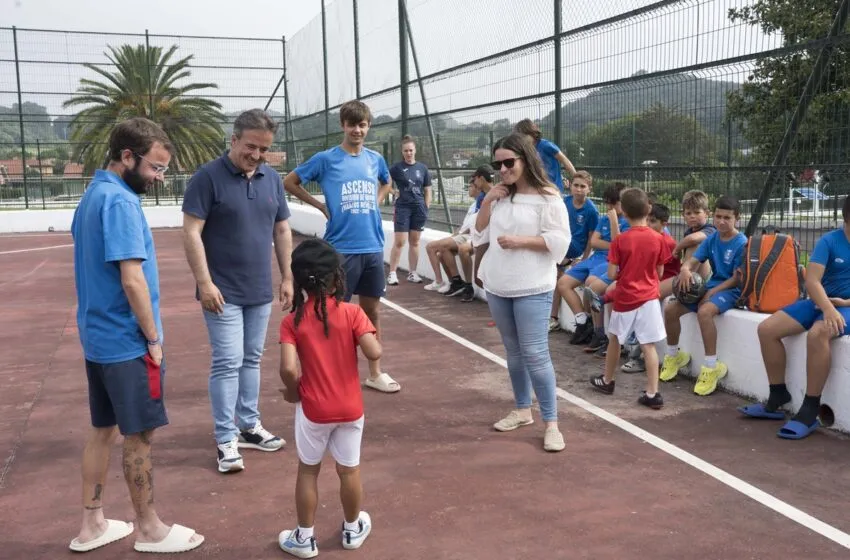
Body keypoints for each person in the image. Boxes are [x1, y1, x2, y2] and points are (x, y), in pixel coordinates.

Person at [69, 118, 203, 553]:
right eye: (155, 167)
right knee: (140, 435)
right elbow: (133, 280)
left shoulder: (91, 195)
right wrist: (153, 339)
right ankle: (149, 528)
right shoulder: (122, 203)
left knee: (102, 429)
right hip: (126, 342)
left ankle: (92, 524)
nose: (160, 178)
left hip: (97, 339)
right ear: (127, 157)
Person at [182, 109, 292, 474]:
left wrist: (287, 277)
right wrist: (204, 282)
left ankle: (249, 424)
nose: (257, 155)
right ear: (233, 140)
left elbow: (281, 231)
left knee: (252, 358)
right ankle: (225, 438)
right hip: (221, 292)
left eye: (264, 149)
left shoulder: (272, 179)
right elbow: (191, 232)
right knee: (227, 361)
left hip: (258, 290)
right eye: (250, 147)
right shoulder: (207, 178)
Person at [283, 99, 400, 394]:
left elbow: (387, 182)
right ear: (342, 126)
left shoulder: (375, 159)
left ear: (368, 127)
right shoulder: (326, 159)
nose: (357, 130)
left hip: (372, 245)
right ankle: (337, 374)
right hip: (340, 248)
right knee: (333, 315)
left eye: (362, 125)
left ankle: (374, 372)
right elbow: (290, 181)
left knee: (371, 313)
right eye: (352, 125)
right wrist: (320, 205)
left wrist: (378, 198)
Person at [277, 239, 380, 558]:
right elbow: (374, 351)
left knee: (308, 470)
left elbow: (288, 369)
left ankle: (304, 538)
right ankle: (351, 529)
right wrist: (364, 336)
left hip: (313, 410)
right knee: (349, 469)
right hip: (351, 408)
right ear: (337, 278)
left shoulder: (291, 322)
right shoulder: (352, 313)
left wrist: (294, 392)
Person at [473, 132, 571, 453]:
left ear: (525, 159)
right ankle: (521, 410)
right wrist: (488, 200)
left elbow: (559, 241)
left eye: (508, 162)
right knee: (513, 352)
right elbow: (480, 230)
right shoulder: (501, 195)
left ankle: (552, 423)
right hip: (500, 284)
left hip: (533, 285)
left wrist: (521, 242)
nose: (502, 169)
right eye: (497, 163)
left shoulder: (548, 197)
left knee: (535, 353)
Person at [740, 197, 850, 439]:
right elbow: (812, 281)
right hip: (819, 302)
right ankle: (778, 394)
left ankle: (810, 409)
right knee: (767, 330)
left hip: (846, 307)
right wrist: (827, 307)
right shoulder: (829, 241)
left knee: (819, 333)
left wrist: (842, 305)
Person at [589, 188, 671, 409]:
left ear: (623, 212)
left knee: (615, 338)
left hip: (626, 297)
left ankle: (608, 380)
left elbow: (612, 274)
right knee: (649, 345)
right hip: (650, 298)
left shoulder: (620, 240)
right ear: (649, 209)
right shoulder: (658, 238)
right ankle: (653, 393)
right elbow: (661, 273)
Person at [660, 195, 747, 396]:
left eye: (727, 217)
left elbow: (736, 279)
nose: (722, 222)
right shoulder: (712, 238)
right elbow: (694, 260)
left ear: (737, 219)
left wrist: (712, 292)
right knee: (671, 308)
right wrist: (685, 269)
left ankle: (710, 367)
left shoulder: (741, 242)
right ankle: (674, 356)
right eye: (718, 217)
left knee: (704, 312)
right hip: (713, 285)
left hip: (732, 290)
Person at [424, 165, 493, 301]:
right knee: (443, 248)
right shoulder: (481, 199)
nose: (472, 183)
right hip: (476, 235)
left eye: (474, 180)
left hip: (487, 237)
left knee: (459, 249)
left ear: (481, 178)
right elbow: (477, 220)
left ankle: (465, 285)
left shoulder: (496, 194)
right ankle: (460, 284)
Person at [549, 170, 599, 331]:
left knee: (557, 272)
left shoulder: (591, 210)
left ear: (589, 189)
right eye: (576, 185)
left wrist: (584, 259)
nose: (578, 189)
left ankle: (554, 317)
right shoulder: (565, 202)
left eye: (582, 186)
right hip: (561, 245)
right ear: (570, 186)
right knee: (555, 274)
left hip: (575, 249)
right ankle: (552, 317)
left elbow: (592, 239)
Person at [387, 135, 432, 285]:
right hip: (403, 208)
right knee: (400, 241)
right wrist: (394, 192)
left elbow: (428, 190)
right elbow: (384, 182)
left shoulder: (422, 168)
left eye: (411, 150)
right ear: (402, 152)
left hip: (419, 208)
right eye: (406, 151)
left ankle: (413, 273)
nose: (408, 153)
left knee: (415, 241)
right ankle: (392, 273)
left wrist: (426, 207)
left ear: (415, 151)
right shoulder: (396, 168)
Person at [513, 118, 576, 193]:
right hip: (538, 188)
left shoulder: (545, 145)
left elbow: (565, 160)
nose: (521, 139)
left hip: (554, 187)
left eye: (523, 136)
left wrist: (577, 178)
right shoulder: (525, 150)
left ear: (532, 133)